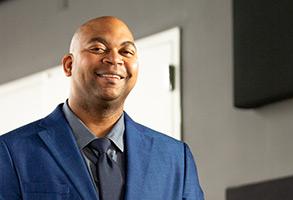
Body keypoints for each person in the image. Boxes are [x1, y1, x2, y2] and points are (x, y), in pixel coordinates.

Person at [0, 16, 204, 200]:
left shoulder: (175, 158)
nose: (115, 59)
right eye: (98, 49)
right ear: (69, 65)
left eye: (126, 51)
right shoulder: (12, 152)